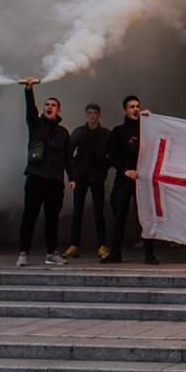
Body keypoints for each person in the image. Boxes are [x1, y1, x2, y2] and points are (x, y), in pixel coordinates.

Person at [17, 81, 74, 267]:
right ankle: (23, 253)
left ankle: (51, 254)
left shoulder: (64, 132)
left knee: (52, 219)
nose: (49, 107)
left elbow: (68, 158)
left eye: (53, 105)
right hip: (36, 177)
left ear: (58, 110)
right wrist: (29, 89)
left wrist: (71, 177)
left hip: (55, 182)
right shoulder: (35, 125)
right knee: (29, 216)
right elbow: (30, 110)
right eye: (47, 105)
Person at [102, 95, 158, 265]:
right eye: (132, 106)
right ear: (125, 110)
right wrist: (125, 171)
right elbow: (111, 156)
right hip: (124, 180)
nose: (135, 109)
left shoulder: (147, 129)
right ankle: (115, 254)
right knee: (119, 216)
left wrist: (152, 120)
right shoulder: (118, 131)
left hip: (143, 180)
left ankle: (149, 254)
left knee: (146, 217)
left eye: (137, 106)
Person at [63, 102, 109, 261]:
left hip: (97, 178)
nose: (92, 115)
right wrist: (73, 177)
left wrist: (103, 173)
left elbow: (111, 156)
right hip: (81, 177)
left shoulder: (106, 134)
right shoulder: (78, 132)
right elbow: (68, 155)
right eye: (90, 112)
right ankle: (74, 245)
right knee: (77, 212)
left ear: (99, 115)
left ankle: (102, 246)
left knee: (99, 213)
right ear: (86, 114)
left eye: (95, 112)